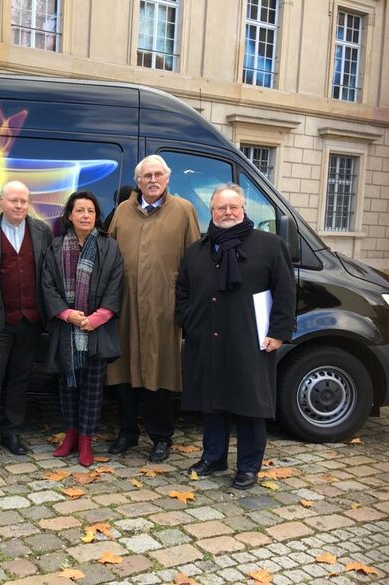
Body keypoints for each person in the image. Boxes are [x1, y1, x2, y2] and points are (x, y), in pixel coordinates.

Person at [176, 184, 296, 490]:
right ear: (212, 212)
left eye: (233, 207)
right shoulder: (197, 250)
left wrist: (279, 332)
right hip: (207, 337)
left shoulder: (269, 245)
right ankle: (214, 456)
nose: (227, 212)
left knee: (250, 404)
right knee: (211, 401)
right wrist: (189, 320)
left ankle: (248, 466)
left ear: (243, 210)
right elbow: (184, 292)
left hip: (250, 338)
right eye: (221, 208)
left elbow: (285, 292)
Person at [107, 154, 200, 462]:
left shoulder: (184, 211)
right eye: (146, 175)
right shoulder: (123, 211)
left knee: (160, 374)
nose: (152, 180)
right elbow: (109, 257)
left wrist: (186, 305)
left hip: (164, 308)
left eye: (158, 174)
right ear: (138, 181)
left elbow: (194, 263)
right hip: (126, 306)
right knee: (123, 371)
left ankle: (161, 437)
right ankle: (127, 432)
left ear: (167, 178)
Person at [0, 180, 52, 462]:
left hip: (30, 319)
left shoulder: (42, 231)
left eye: (24, 201)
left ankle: (11, 432)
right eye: (13, 200)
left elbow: (47, 275)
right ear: (1, 201)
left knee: (20, 377)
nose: (19, 206)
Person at [43, 191, 123, 467]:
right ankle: (71, 436)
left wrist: (97, 318)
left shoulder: (109, 246)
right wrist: (68, 315)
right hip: (67, 329)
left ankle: (87, 441)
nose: (85, 215)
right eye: (80, 211)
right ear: (69, 215)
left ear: (96, 216)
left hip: (97, 329)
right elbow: (48, 286)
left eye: (90, 210)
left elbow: (116, 283)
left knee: (92, 388)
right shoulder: (55, 247)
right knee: (67, 386)